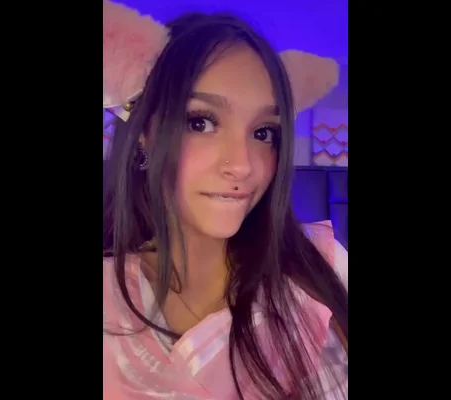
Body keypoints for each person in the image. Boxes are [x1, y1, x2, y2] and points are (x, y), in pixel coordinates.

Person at [102, 1, 348, 399]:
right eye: (200, 122)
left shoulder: (323, 264)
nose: (244, 165)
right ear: (144, 133)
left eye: (264, 133)